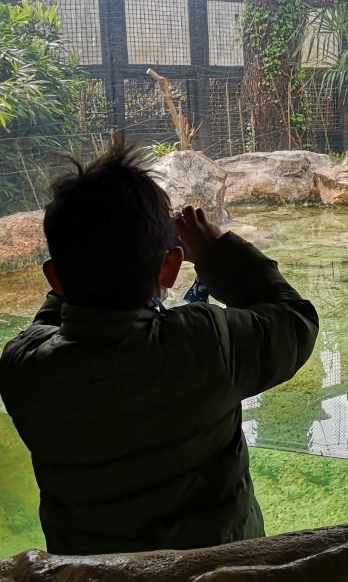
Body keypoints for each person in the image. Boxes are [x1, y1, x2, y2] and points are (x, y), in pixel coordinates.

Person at [0, 139, 319, 555]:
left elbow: (48, 327)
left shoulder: (23, 368)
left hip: (91, 571)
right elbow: (295, 320)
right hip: (214, 568)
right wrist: (218, 251)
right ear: (170, 267)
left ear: (55, 277)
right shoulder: (204, 343)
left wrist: (83, 277)